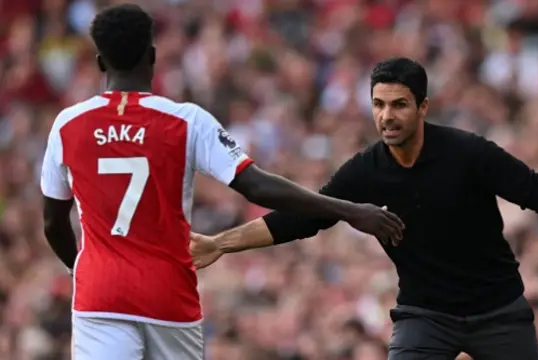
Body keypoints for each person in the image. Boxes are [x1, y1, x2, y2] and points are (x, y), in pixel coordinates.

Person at [189, 57, 538, 360]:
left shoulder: (469, 154)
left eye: (399, 104)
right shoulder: (364, 170)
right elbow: (300, 219)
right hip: (425, 315)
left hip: (499, 311)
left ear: (423, 107)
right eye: (378, 105)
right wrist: (220, 244)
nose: (387, 116)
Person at [39, 4, 403, 360]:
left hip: (99, 297)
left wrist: (80, 267)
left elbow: (53, 222)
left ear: (100, 61)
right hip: (167, 294)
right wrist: (349, 210)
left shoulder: (68, 125)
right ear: (152, 56)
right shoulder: (185, 121)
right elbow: (258, 187)